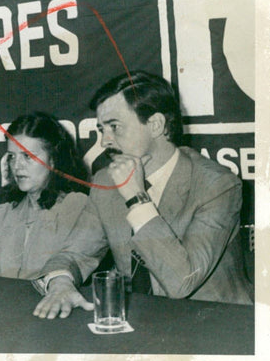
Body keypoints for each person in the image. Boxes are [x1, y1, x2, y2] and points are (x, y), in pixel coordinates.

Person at [34, 71, 252, 319]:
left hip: (216, 324)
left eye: (114, 127)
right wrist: (61, 283)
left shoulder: (217, 185)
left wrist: (137, 198)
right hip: (142, 321)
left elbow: (182, 281)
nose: (105, 141)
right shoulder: (106, 180)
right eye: (101, 129)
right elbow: (75, 253)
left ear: (156, 125)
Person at [0, 113, 105, 289]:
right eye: (12, 156)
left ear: (53, 160)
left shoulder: (80, 207)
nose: (17, 166)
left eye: (27, 156)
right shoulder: (5, 213)